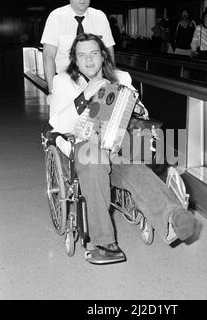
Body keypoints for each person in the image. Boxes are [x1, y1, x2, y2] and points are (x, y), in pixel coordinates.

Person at [49, 33, 195, 262]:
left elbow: (141, 116)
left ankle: (174, 217)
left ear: (103, 56)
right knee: (94, 158)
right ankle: (104, 242)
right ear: (75, 60)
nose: (89, 60)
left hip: (116, 146)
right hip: (82, 147)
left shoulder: (121, 78)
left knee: (135, 168)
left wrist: (132, 107)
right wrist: (87, 94)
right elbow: (57, 124)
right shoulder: (63, 81)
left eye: (94, 54)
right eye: (82, 55)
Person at [40, 0, 115, 96]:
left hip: (96, 84)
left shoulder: (100, 17)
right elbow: (48, 56)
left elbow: (109, 53)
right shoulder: (56, 17)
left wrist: (112, 86)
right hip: (66, 84)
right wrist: (52, 91)